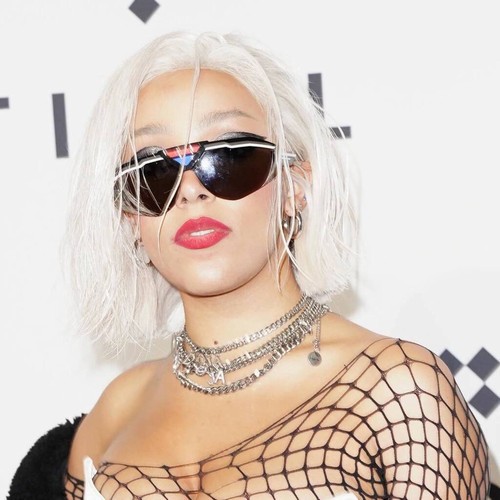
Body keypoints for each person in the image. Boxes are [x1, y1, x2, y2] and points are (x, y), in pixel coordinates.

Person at [9, 31, 489, 500]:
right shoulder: (117, 410)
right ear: (130, 217)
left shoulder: (397, 390)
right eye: (154, 171)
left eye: (229, 157)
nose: (190, 190)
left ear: (294, 187)